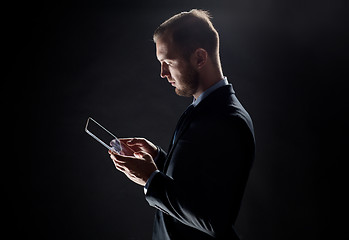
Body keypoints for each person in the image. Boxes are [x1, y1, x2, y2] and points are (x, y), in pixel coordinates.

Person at [109, 9, 255, 239]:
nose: (162, 73)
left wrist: (151, 179)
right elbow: (197, 184)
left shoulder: (229, 120)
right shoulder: (204, 107)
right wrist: (158, 158)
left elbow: (214, 219)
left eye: (167, 62)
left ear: (199, 58)